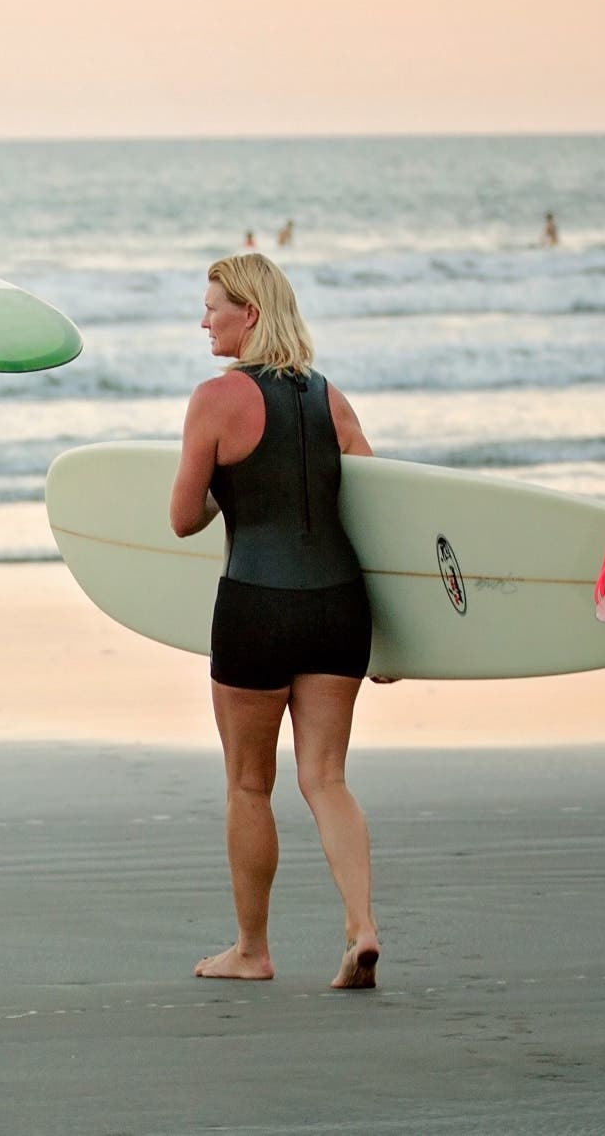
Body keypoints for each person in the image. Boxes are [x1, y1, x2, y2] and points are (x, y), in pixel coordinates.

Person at [167, 253, 380, 990]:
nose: (204, 320)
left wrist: (238, 485)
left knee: (249, 786)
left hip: (256, 604)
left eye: (213, 307)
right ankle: (362, 927)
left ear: (249, 313)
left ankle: (252, 951)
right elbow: (382, 515)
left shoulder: (215, 399)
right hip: (340, 606)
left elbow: (182, 517)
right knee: (326, 778)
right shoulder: (332, 400)